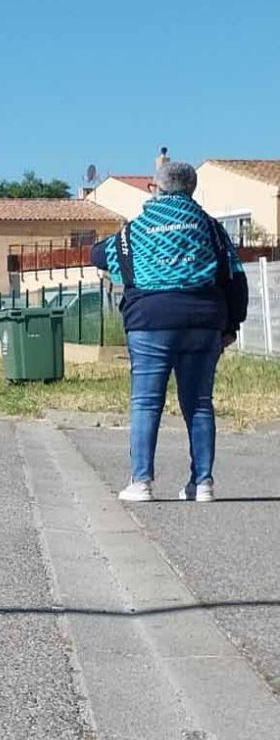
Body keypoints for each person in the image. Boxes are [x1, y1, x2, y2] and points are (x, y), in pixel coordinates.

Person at [91, 159, 247, 502]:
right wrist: (232, 325)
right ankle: (202, 483)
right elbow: (236, 277)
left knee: (146, 402)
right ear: (192, 189)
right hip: (203, 320)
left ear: (155, 188)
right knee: (199, 402)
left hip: (150, 320)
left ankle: (141, 482)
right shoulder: (211, 228)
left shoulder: (132, 231)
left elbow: (98, 255)